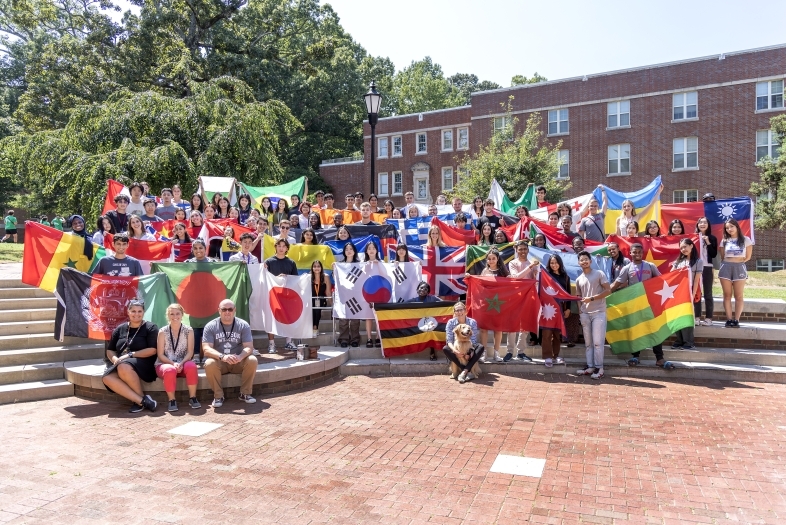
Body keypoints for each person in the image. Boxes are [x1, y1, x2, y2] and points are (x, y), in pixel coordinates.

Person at [610, 243, 672, 368]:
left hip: (649, 304)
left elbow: (661, 281)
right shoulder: (627, 268)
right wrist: (601, 295)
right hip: (634, 305)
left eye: (639, 252)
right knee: (636, 330)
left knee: (654, 329)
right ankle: (635, 356)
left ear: (642, 253)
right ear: (630, 253)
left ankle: (659, 358)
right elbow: (615, 285)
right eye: (634, 252)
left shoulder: (650, 266)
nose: (637, 254)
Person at [102, 300, 159, 412]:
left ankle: (139, 401)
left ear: (143, 312)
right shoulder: (120, 328)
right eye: (133, 311)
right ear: (128, 312)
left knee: (124, 366)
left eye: (139, 311)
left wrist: (129, 355)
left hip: (144, 362)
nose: (136, 314)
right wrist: (114, 359)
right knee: (107, 378)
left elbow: (152, 350)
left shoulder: (151, 327)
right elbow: (110, 350)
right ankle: (142, 401)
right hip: (122, 362)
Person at [202, 299, 258, 407]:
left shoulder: (243, 325)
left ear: (234, 310)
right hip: (220, 362)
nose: (227, 312)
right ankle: (218, 396)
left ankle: (245, 393)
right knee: (209, 363)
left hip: (238, 361)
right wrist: (222, 357)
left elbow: (249, 347)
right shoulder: (210, 326)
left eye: (230, 309)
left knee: (252, 360)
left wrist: (241, 356)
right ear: (219, 310)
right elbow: (206, 349)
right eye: (224, 309)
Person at [155, 304, 199, 411]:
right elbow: (160, 354)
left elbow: (190, 352)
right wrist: (172, 363)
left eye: (177, 313)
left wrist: (182, 363)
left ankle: (193, 397)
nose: (175, 316)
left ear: (182, 314)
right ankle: (172, 400)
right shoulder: (162, 331)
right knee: (169, 370)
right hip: (165, 363)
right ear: (168, 316)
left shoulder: (189, 330)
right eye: (172, 314)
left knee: (192, 366)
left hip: (183, 362)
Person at [575, 251, 611, 380]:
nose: (584, 261)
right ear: (578, 263)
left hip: (599, 313)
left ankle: (599, 368)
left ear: (590, 261)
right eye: (581, 260)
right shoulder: (579, 279)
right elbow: (578, 297)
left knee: (597, 342)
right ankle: (590, 366)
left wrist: (591, 299)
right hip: (585, 314)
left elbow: (608, 290)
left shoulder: (599, 274)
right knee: (588, 343)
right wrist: (580, 311)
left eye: (586, 259)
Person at [264, 239, 299, 353]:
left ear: (287, 248)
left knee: (288, 318)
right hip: (272, 295)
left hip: (287, 296)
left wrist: (287, 277)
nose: (281, 248)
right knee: (271, 319)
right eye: (279, 245)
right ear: (275, 247)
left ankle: (289, 341)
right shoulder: (268, 262)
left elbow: (296, 280)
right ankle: (271, 344)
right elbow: (264, 278)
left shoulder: (291, 263)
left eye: (284, 246)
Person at [506, 241, 538, 361]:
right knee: (512, 325)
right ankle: (509, 351)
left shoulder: (533, 264)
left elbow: (535, 281)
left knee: (524, 326)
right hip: (515, 297)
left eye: (525, 249)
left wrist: (535, 274)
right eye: (520, 249)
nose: (523, 251)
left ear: (528, 250)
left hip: (529, 297)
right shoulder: (513, 263)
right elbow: (516, 277)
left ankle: (521, 352)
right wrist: (530, 267)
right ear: (516, 250)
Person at [719, 218, 753, 328]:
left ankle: (736, 320)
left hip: (739, 267)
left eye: (731, 226)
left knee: (738, 296)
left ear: (737, 226)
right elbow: (723, 256)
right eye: (727, 228)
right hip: (726, 267)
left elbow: (748, 257)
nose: (729, 229)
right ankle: (729, 319)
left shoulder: (746, 240)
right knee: (727, 295)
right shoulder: (724, 241)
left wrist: (737, 262)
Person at [477, 247, 509, 362]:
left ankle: (496, 353)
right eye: (489, 259)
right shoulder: (484, 272)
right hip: (486, 303)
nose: (491, 261)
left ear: (497, 259)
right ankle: (483, 353)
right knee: (484, 329)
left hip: (499, 304)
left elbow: (508, 287)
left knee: (498, 329)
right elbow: (479, 286)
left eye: (493, 258)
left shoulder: (504, 272)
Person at [670, 238, 702, 350]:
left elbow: (696, 280)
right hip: (677, 292)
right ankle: (679, 340)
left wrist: (692, 295)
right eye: (681, 248)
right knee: (677, 316)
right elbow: (671, 276)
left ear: (691, 246)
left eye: (685, 247)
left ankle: (689, 342)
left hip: (689, 292)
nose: (683, 249)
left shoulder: (698, 261)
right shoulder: (678, 261)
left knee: (687, 317)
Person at [443, 302, 484, 383]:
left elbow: (473, 340)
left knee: (480, 347)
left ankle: (464, 372)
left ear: (465, 311)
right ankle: (467, 372)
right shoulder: (450, 323)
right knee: (445, 349)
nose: (459, 312)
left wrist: (470, 352)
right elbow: (449, 340)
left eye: (461, 310)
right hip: (456, 346)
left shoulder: (472, 322)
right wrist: (455, 351)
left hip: (469, 345)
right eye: (457, 310)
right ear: (454, 312)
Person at [542, 254, 571, 367]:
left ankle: (556, 355)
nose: (554, 265)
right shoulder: (546, 276)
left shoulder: (565, 277)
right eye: (552, 263)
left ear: (560, 263)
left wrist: (568, 308)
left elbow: (568, 293)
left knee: (557, 333)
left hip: (560, 308)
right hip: (548, 308)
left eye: (556, 262)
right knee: (547, 333)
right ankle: (547, 357)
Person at [695, 217, 718, 326]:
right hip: (695, 268)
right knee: (696, 293)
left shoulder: (712, 238)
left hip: (707, 267)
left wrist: (708, 242)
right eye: (701, 222)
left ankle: (709, 318)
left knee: (708, 293)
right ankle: (697, 316)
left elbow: (714, 254)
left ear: (708, 225)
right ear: (697, 224)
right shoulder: (693, 237)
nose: (703, 224)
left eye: (705, 222)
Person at [362, 242, 384, 347]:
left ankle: (378, 337)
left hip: (380, 292)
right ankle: (369, 338)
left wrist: (378, 264)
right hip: (367, 293)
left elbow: (386, 275)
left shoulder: (382, 262)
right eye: (369, 248)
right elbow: (361, 277)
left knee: (378, 316)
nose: (371, 250)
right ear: (366, 251)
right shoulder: (362, 263)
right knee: (368, 316)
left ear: (376, 250)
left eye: (373, 248)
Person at [310, 260, 332, 338]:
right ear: (312, 268)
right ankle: (313, 327)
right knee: (312, 309)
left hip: (321, 299)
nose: (316, 268)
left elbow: (328, 292)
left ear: (321, 268)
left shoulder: (325, 276)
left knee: (317, 310)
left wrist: (332, 305)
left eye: (318, 266)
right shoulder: (309, 277)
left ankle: (315, 328)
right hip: (311, 299)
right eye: (314, 266)